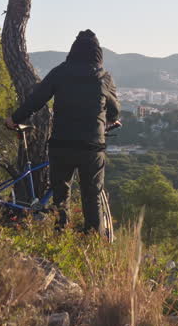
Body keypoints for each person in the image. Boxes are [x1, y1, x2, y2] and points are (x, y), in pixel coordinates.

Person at [7, 29, 121, 234]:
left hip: (61, 143)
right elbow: (115, 110)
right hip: (91, 147)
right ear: (98, 53)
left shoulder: (60, 72)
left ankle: (61, 233)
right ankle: (92, 240)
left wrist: (14, 119)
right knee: (92, 195)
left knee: (61, 194)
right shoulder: (103, 77)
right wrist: (109, 118)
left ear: (73, 51)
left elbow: (36, 100)